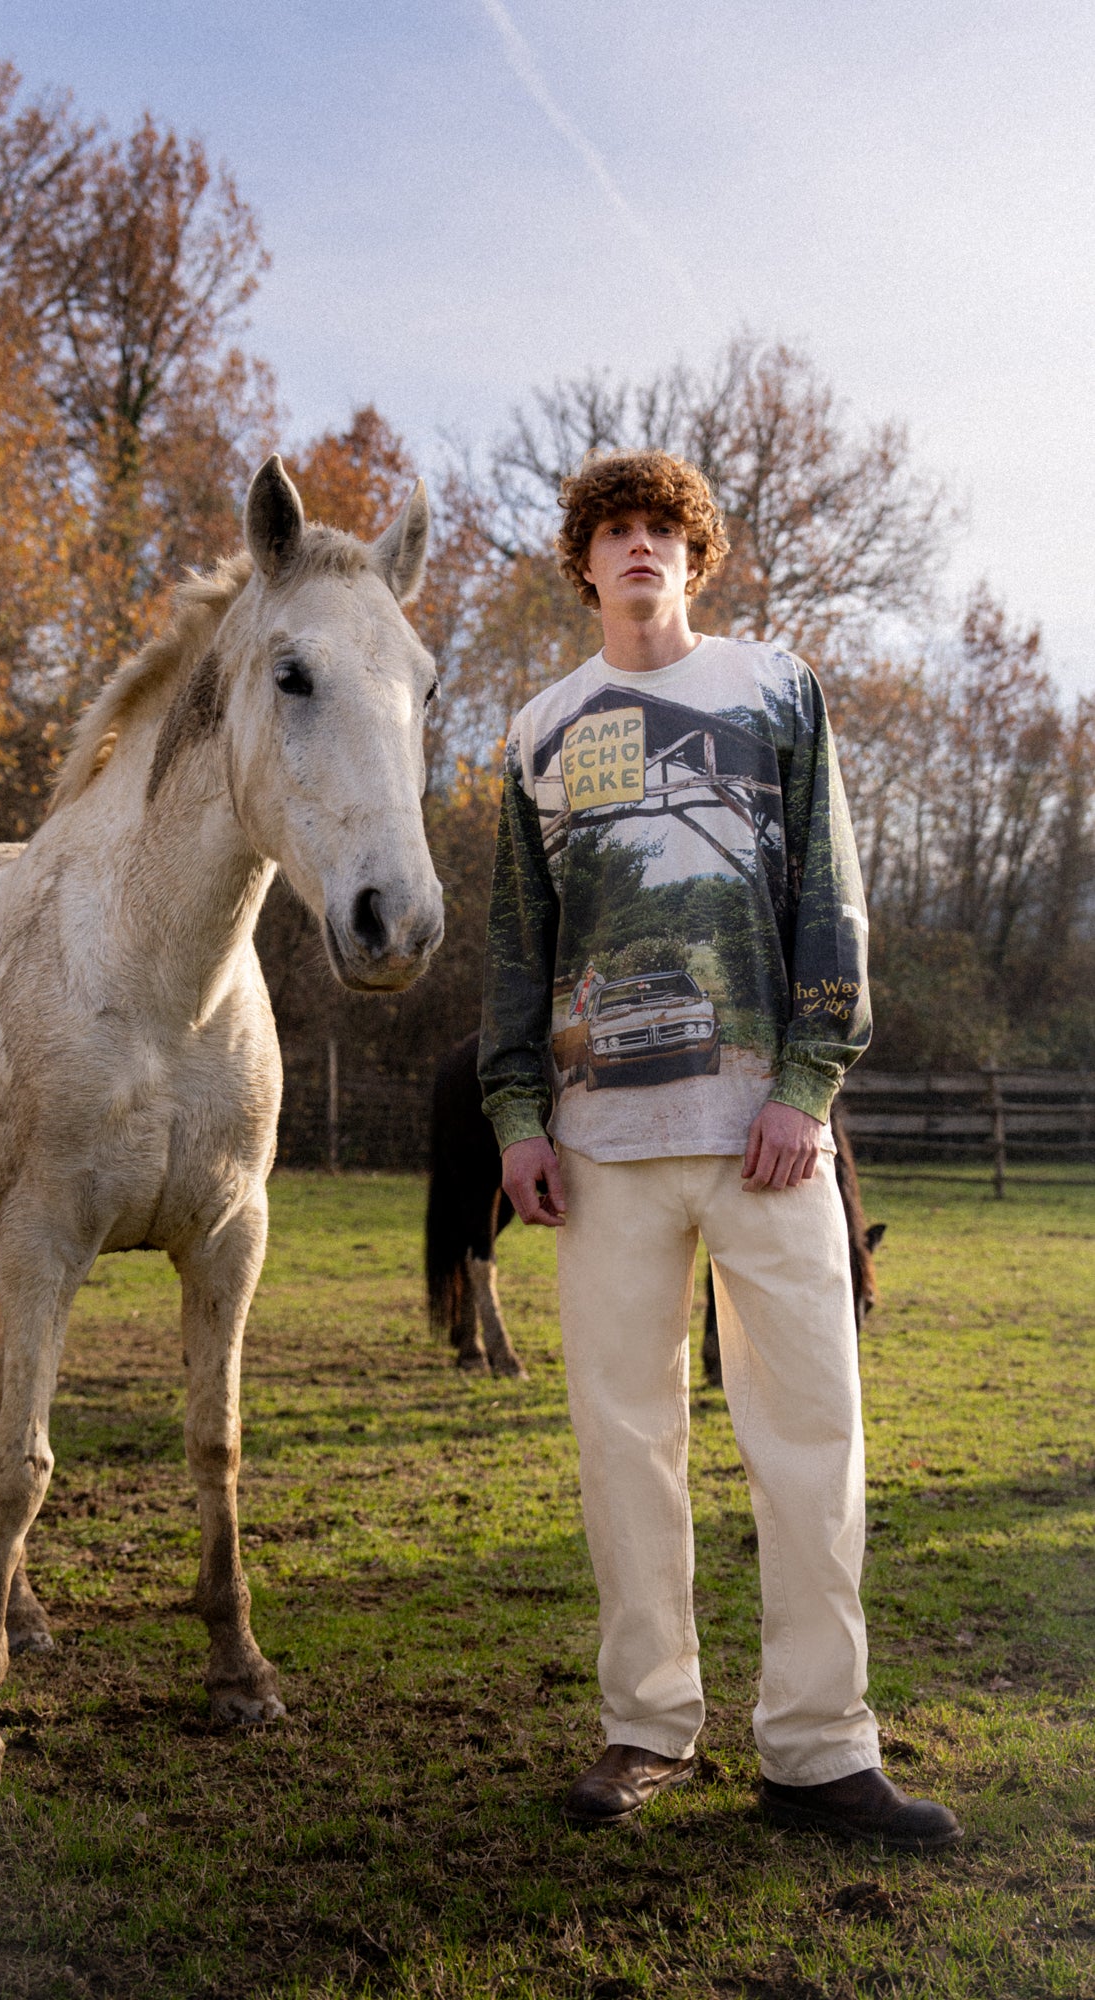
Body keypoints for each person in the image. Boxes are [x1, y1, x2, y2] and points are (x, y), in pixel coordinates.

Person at [477, 449, 960, 1848]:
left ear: (697, 558)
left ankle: (816, 1751)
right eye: (612, 532)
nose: (636, 550)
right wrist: (515, 1119)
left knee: (811, 1439)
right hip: (601, 1149)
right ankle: (645, 1726)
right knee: (624, 1444)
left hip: (767, 1141)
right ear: (581, 563)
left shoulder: (771, 690)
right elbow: (519, 947)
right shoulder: (538, 731)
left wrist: (804, 1085)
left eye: (660, 532)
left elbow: (830, 891)